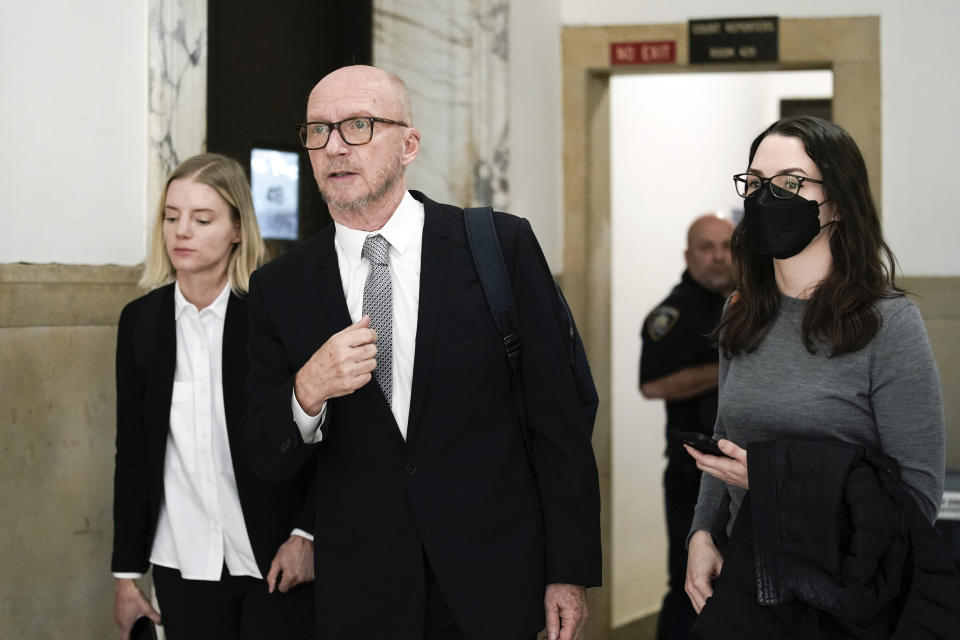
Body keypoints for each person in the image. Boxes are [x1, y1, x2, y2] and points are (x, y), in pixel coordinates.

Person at [240, 65, 602, 640]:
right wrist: (306, 391)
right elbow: (263, 455)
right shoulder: (280, 288)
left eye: (358, 125)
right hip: (365, 594)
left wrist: (568, 571)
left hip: (494, 583)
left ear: (408, 144)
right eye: (317, 131)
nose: (334, 146)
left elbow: (560, 418)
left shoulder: (499, 248)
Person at [684, 117, 945, 629]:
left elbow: (917, 494)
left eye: (790, 183)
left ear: (839, 203)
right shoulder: (742, 309)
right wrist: (702, 535)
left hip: (847, 589)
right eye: (756, 183)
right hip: (748, 576)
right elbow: (725, 440)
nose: (766, 197)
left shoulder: (888, 323)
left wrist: (779, 483)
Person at [111, 153, 315, 640]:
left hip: (274, 558)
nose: (182, 231)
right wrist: (124, 575)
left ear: (238, 229)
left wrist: (307, 535)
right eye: (171, 216)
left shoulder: (273, 316)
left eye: (202, 219)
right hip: (182, 560)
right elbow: (134, 453)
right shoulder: (140, 322)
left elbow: (319, 438)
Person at [639, 214, 734, 640]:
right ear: (688, 255)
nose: (718, 257)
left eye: (726, 246)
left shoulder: (744, 302)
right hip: (691, 475)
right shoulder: (674, 313)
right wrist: (731, 370)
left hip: (742, 472)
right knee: (688, 586)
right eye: (706, 247)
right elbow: (653, 383)